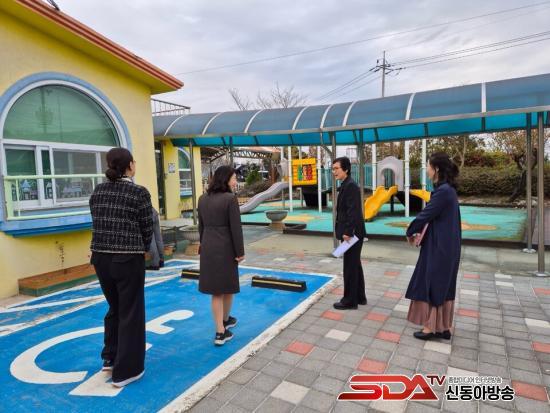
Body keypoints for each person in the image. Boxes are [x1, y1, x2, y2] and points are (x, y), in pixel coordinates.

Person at [89, 147, 153, 387]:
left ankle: (110, 357)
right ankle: (127, 371)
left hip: (100, 258)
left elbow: (97, 221)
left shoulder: (98, 191)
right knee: (131, 311)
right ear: (129, 166)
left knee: (114, 307)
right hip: (128, 258)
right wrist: (143, 248)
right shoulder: (138, 193)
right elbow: (146, 228)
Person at [405, 152, 461, 341]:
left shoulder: (443, 191)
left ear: (436, 169)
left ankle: (430, 327)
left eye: (428, 166)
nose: (427, 169)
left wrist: (410, 230)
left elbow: (426, 214)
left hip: (439, 246)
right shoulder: (448, 190)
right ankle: (443, 326)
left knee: (432, 283)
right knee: (445, 284)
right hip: (448, 245)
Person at [198, 165, 245, 346]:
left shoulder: (202, 199)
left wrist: (203, 244)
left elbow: (201, 227)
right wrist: (240, 252)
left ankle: (224, 322)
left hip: (208, 247)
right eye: (234, 178)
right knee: (227, 286)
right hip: (226, 248)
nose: (235, 182)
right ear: (226, 179)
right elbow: (236, 228)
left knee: (217, 289)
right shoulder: (230, 199)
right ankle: (221, 330)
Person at [332, 156, 367, 310]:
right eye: (333, 169)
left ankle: (349, 301)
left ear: (346, 169)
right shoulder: (346, 184)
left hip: (352, 234)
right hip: (353, 233)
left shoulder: (351, 186)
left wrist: (348, 232)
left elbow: (354, 212)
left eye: (336, 169)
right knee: (355, 265)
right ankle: (360, 297)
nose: (334, 172)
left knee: (350, 267)